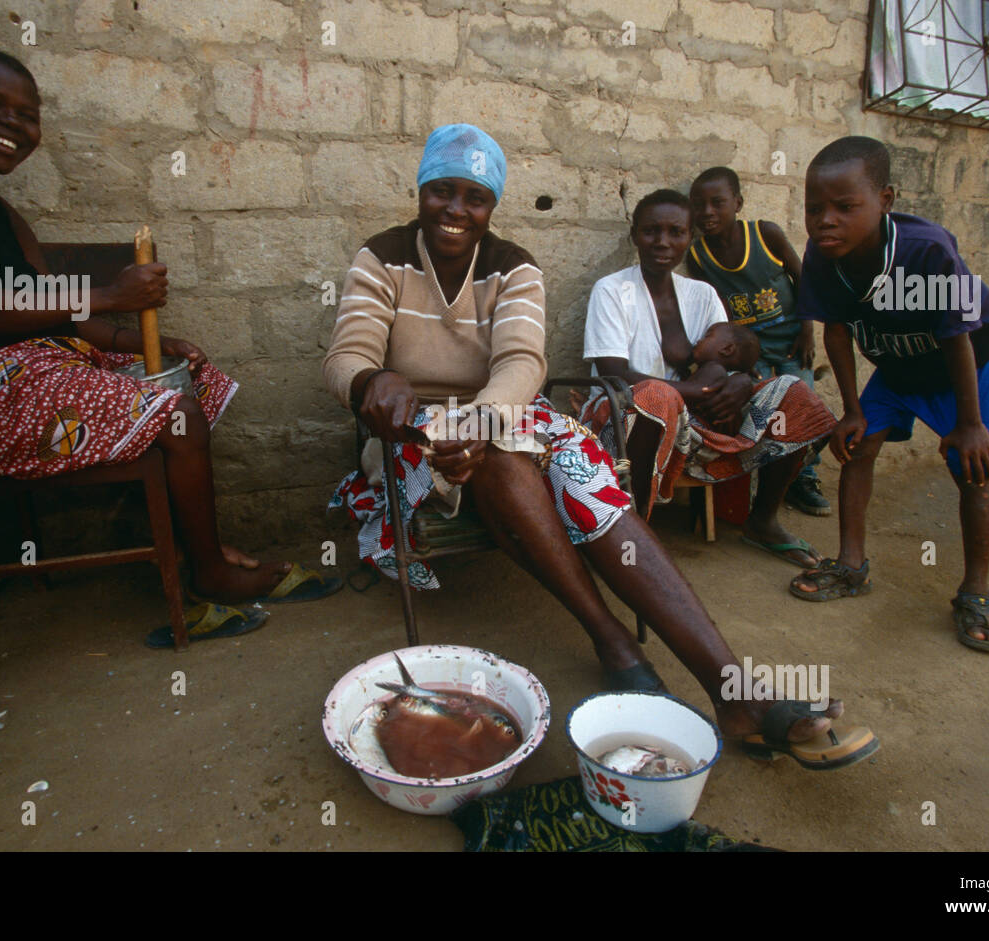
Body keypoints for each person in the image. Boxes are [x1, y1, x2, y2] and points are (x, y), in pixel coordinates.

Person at [325, 125, 877, 769]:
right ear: (421, 191)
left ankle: (734, 691)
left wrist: (482, 421)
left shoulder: (513, 264)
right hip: (414, 430)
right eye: (441, 191)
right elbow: (346, 355)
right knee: (508, 465)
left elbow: (521, 362)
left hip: (500, 417)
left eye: (473, 197)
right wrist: (374, 379)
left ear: (492, 205)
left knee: (572, 481)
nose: (455, 209)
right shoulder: (381, 257)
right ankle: (617, 644)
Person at [0, 44, 337, 638]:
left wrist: (141, 341)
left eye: (27, 114)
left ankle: (189, 547)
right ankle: (209, 570)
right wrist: (109, 295)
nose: (13, 123)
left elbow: (60, 317)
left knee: (188, 380)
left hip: (18, 369)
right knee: (174, 414)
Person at [788, 136, 989, 653]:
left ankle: (976, 593)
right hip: (901, 359)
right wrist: (851, 409)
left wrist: (970, 423)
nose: (826, 220)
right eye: (814, 209)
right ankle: (850, 567)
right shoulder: (825, 257)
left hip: (971, 359)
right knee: (858, 446)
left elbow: (957, 335)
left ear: (885, 200)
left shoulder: (926, 251)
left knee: (973, 466)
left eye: (845, 208)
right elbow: (838, 330)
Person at [582, 190, 837, 565]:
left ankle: (762, 521)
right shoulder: (612, 290)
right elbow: (615, 374)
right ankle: (632, 534)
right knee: (656, 397)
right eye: (652, 231)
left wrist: (739, 382)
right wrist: (694, 390)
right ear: (635, 235)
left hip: (695, 418)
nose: (663, 242)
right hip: (624, 417)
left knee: (792, 392)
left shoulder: (700, 293)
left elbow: (727, 354)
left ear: (689, 237)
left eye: (676, 232)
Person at [686, 167, 830, 516]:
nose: (708, 212)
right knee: (764, 411)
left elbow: (802, 277)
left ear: (738, 202)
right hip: (752, 349)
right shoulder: (698, 256)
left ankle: (804, 479)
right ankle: (763, 481)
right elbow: (719, 307)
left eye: (718, 203)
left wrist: (808, 331)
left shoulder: (764, 234)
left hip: (794, 339)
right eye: (699, 205)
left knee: (802, 401)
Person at [686, 321, 760, 389]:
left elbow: (688, 391)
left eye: (707, 336)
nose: (699, 340)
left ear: (727, 349)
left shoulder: (714, 374)